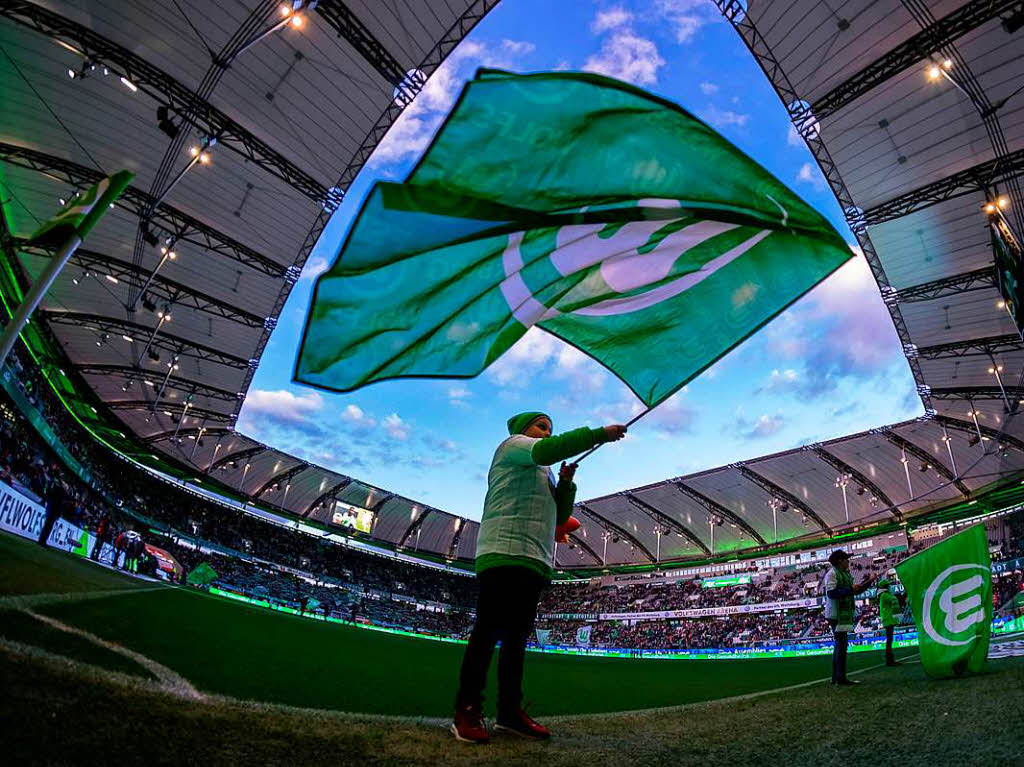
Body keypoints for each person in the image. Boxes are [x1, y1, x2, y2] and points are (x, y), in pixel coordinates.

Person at [452, 412, 626, 744]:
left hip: (534, 560)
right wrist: (598, 434)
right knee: (487, 634)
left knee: (516, 642)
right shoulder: (513, 447)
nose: (546, 433)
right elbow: (549, 450)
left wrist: (565, 484)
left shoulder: (543, 471)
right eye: (541, 426)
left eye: (550, 429)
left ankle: (509, 714)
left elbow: (560, 516)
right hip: (503, 553)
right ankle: (467, 709)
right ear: (523, 430)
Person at [823, 549, 872, 686]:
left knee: (840, 645)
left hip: (839, 614)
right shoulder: (832, 574)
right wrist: (851, 589)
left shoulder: (843, 574)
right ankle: (840, 678)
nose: (848, 561)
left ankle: (837, 677)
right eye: (846, 559)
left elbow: (852, 591)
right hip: (835, 614)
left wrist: (866, 584)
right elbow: (832, 593)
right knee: (841, 645)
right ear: (840, 561)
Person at [876, 578, 902, 666]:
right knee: (889, 640)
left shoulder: (883, 595)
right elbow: (893, 599)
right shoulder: (884, 595)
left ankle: (890, 659)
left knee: (890, 639)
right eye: (888, 585)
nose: (890, 586)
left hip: (887, 619)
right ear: (885, 586)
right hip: (888, 619)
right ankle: (889, 659)